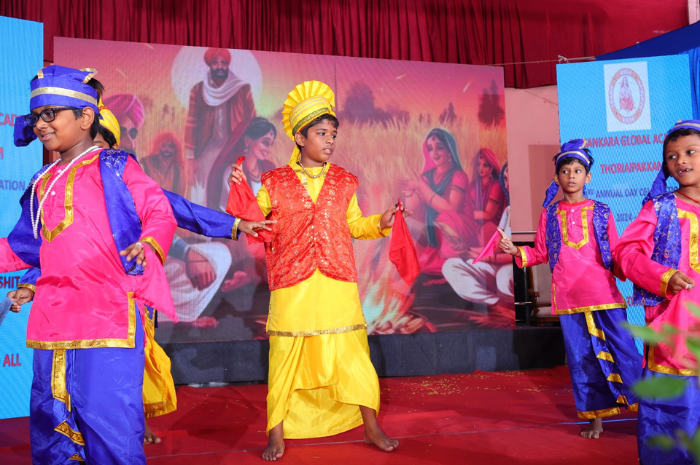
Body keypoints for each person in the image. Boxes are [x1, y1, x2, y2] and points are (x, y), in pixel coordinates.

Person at [2, 65, 177, 464]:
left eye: (50, 114)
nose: (40, 124)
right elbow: (22, 248)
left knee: (110, 431)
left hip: (107, 320)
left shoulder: (115, 165)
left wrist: (148, 242)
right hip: (52, 323)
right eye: (36, 116)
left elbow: (159, 210)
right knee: (51, 430)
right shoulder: (42, 180)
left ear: (85, 117)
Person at [229, 81, 401, 461]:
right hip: (291, 281)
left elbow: (354, 225)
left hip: (337, 280)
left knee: (353, 353)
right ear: (300, 137)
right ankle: (276, 432)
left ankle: (370, 426)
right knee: (284, 355)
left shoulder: (344, 180)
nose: (330, 141)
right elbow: (253, 218)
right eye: (322, 133)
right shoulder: (274, 181)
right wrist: (239, 189)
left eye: (333, 134)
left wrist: (381, 221)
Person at [498, 139, 642, 439]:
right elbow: (540, 253)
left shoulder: (602, 211)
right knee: (581, 360)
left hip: (605, 295)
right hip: (568, 299)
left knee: (625, 352)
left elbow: (616, 252)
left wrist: (641, 269)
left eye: (578, 171)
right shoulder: (550, 215)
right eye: (565, 171)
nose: (571, 176)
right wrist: (514, 249)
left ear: (588, 177)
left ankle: (648, 411)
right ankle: (595, 419)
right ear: (557, 178)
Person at [614, 120, 700, 465]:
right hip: (676, 331)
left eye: (690, 152)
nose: (681, 161)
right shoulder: (661, 208)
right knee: (673, 421)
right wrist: (662, 276)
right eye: (672, 156)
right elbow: (625, 254)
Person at [185, 47, 256, 211]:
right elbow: (192, 124)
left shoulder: (241, 89)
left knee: (231, 183)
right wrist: (190, 158)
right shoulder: (199, 90)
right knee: (200, 185)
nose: (220, 66)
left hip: (235, 146)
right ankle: (202, 224)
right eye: (215, 62)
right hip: (208, 147)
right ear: (210, 65)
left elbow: (253, 122)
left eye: (223, 63)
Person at [399, 128, 477, 277]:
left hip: (458, 231)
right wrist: (410, 190)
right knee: (404, 223)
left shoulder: (458, 175)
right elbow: (411, 208)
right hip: (436, 231)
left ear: (449, 151)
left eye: (439, 147)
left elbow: (451, 209)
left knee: (444, 218)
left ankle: (455, 256)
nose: (434, 153)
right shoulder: (427, 176)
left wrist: (422, 187)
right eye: (430, 149)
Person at [442, 163, 513, 319]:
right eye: (505, 179)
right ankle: (495, 304)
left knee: (503, 277)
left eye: (512, 179)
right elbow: (495, 247)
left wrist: (485, 258)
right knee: (450, 266)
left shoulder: (532, 211)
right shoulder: (508, 211)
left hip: (514, 266)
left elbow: (520, 255)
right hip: (497, 263)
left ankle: (507, 310)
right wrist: (468, 251)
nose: (507, 185)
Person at [221, 117, 278, 293]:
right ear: (248, 141)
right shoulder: (234, 172)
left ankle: (249, 276)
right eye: (265, 142)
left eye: (271, 144)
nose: (268, 149)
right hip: (241, 231)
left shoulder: (269, 168)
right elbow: (234, 212)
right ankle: (250, 274)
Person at [472, 147, 507, 244]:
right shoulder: (473, 187)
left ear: (491, 168)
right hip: (474, 226)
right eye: (478, 164)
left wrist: (468, 215)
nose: (481, 168)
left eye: (485, 165)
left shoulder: (496, 186)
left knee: (487, 229)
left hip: (491, 227)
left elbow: (488, 215)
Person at [141, 131, 187, 196]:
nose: (167, 149)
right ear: (158, 146)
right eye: (164, 145)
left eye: (170, 146)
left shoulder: (179, 169)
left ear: (175, 149)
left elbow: (180, 194)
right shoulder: (146, 162)